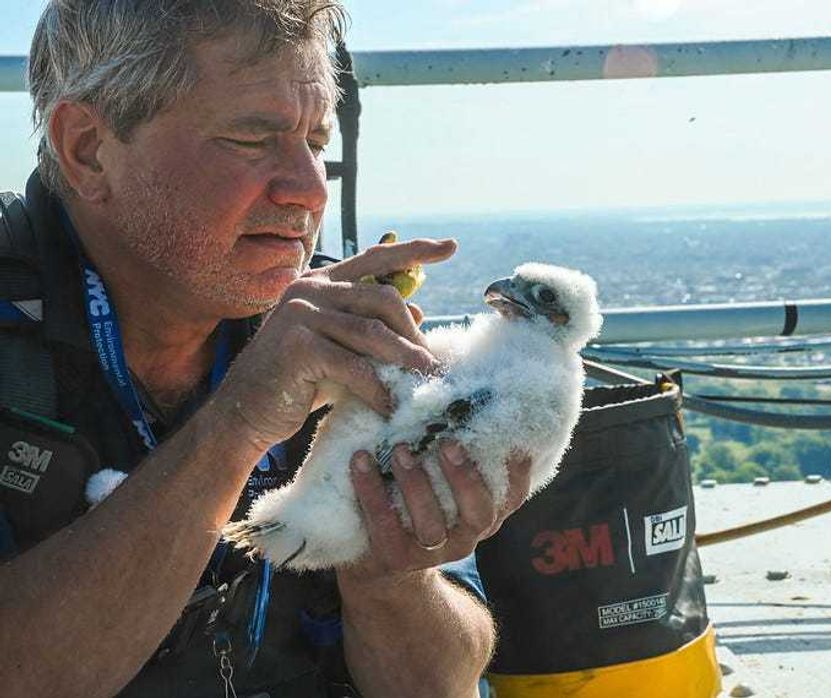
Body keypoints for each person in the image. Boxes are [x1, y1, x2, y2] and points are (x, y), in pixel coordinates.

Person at [0, 1, 532, 696]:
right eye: (253, 138)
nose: (310, 191)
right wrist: (237, 425)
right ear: (89, 149)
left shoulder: (333, 326)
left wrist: (390, 575)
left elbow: (441, 685)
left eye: (315, 142)